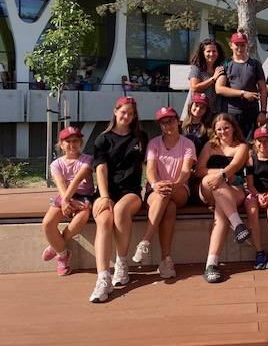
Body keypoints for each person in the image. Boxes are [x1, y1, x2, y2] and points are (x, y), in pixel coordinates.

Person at [90, 96, 148, 303]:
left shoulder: (141, 137)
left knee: (121, 210)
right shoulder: (102, 139)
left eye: (131, 114)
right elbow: (100, 169)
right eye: (123, 112)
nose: (127, 116)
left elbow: (151, 162)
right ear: (115, 112)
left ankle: (121, 263)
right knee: (105, 220)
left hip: (130, 192)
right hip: (106, 192)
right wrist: (104, 196)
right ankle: (103, 277)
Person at [132, 107, 195, 278]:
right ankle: (166, 261)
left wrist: (175, 184)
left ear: (177, 121)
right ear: (160, 125)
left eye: (171, 121)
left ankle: (145, 241)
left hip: (180, 189)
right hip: (156, 189)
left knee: (166, 192)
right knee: (169, 207)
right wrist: (155, 184)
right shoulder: (154, 143)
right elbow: (150, 169)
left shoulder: (187, 144)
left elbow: (186, 170)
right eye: (164, 123)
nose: (168, 125)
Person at [196, 113, 250, 283]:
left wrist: (223, 176)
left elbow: (235, 165)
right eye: (218, 129)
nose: (222, 132)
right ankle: (238, 224)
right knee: (210, 181)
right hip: (208, 189)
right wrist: (221, 175)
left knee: (221, 214)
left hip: (234, 190)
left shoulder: (242, 147)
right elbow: (199, 170)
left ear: (233, 128)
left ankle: (211, 264)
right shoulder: (210, 146)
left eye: (226, 128)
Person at [41, 126, 94, 276]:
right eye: (68, 141)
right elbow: (60, 184)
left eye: (75, 141)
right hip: (64, 195)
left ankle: (56, 247)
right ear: (61, 144)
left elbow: (77, 181)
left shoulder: (87, 160)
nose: (72, 144)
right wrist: (66, 201)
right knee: (47, 223)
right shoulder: (56, 164)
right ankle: (63, 252)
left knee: (82, 216)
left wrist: (67, 201)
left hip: (83, 196)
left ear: (81, 142)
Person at [215, 32, 267, 140]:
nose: (240, 48)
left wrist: (263, 112)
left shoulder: (255, 64)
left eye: (243, 45)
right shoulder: (225, 64)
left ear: (247, 45)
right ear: (231, 45)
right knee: (231, 143)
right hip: (231, 113)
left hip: (251, 113)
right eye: (237, 44)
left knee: (250, 144)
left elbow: (263, 89)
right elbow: (219, 89)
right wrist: (243, 93)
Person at [244, 128, 268, 269]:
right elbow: (250, 184)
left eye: (266, 141)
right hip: (256, 193)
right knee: (252, 210)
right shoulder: (251, 160)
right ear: (255, 143)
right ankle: (259, 251)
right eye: (259, 141)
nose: (262, 144)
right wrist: (258, 195)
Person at [189, 38, 226, 115]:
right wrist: (213, 78)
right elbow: (194, 87)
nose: (211, 54)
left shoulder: (220, 68)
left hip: (215, 111)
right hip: (199, 111)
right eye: (208, 51)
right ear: (202, 53)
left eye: (214, 51)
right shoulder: (197, 68)